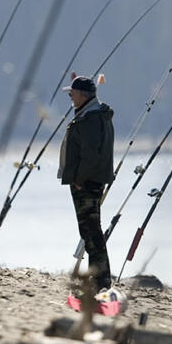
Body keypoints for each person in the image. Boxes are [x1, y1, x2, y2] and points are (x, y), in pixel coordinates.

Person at [59, 75, 115, 291]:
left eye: (72, 93)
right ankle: (99, 279)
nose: (70, 96)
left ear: (82, 95)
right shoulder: (91, 114)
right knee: (90, 231)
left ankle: (101, 281)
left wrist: (80, 179)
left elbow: (91, 154)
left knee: (91, 232)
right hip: (89, 180)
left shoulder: (91, 118)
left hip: (87, 182)